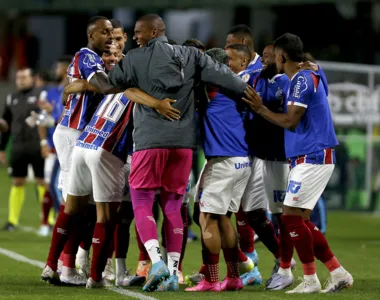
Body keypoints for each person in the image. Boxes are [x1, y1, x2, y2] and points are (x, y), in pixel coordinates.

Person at [107, 14, 248, 292]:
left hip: (149, 142)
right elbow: (230, 81)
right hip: (183, 145)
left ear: (155, 30)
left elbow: (111, 82)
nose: (135, 36)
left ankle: (156, 262)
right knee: (174, 206)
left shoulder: (135, 58)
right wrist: (251, 92)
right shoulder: (193, 56)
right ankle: (173, 272)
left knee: (142, 200)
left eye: (139, 31)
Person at [242, 32, 353, 294]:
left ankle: (310, 279)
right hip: (308, 156)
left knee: (289, 218)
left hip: (313, 155)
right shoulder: (307, 75)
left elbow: (290, 121)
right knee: (299, 221)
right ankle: (337, 272)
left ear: (282, 56)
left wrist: (260, 109)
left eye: (274, 56)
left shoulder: (301, 79)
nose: (272, 61)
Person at [185, 47, 250, 292]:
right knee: (222, 219)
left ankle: (211, 280)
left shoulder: (211, 91)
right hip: (241, 161)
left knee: (207, 217)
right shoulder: (234, 93)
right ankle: (234, 277)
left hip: (223, 162)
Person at [0, 68, 46, 232]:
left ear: (32, 78)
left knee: (42, 181)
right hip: (18, 146)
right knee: (17, 181)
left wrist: (30, 124)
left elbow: (47, 115)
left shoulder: (41, 94)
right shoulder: (11, 97)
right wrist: (2, 148)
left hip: (37, 145)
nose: (20, 80)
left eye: (24, 77)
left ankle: (48, 220)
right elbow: (5, 123)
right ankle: (12, 221)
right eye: (18, 77)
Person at [37, 56, 72, 237]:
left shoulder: (73, 90)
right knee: (53, 185)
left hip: (69, 148)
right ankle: (59, 220)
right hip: (55, 147)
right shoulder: (54, 92)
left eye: (59, 67)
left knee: (60, 186)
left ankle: (66, 221)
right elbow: (47, 120)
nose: (56, 70)